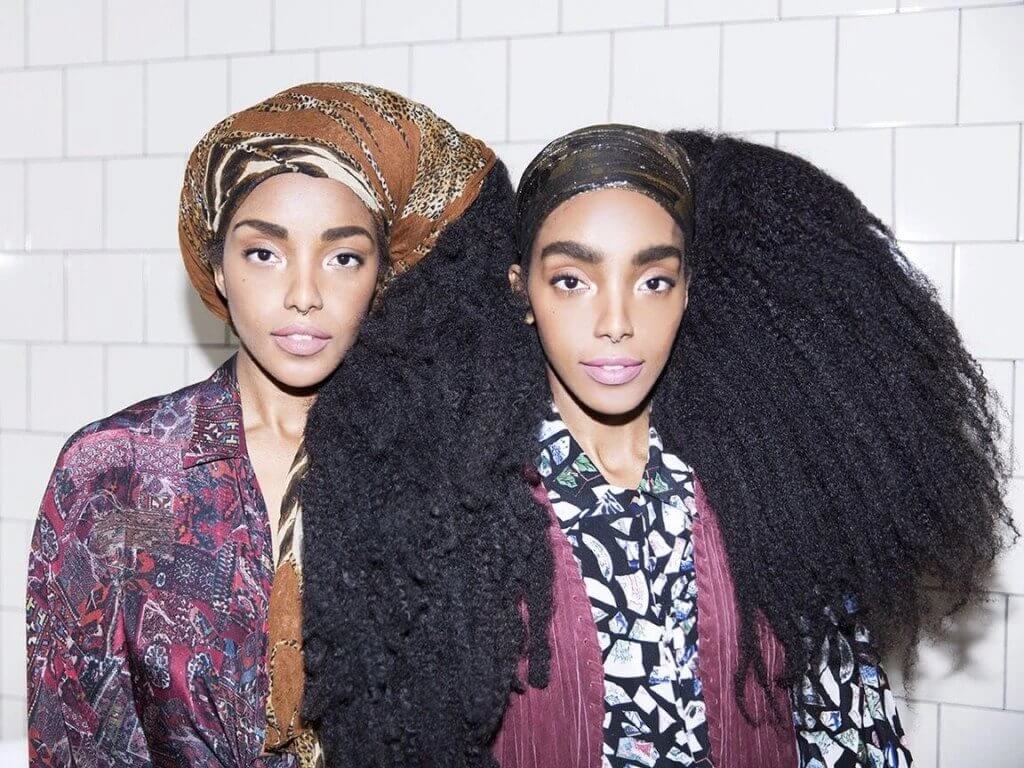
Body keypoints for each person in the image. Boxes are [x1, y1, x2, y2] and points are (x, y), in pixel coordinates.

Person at [300, 124, 1013, 768]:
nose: (616, 320)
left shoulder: (763, 480)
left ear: (688, 291)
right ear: (523, 293)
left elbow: (845, 723)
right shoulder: (461, 498)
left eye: (653, 280)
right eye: (573, 280)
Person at [25, 81, 498, 768]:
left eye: (343, 257)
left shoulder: (438, 474)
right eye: (264, 253)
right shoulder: (115, 472)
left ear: (382, 278)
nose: (304, 295)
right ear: (216, 266)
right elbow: (76, 734)